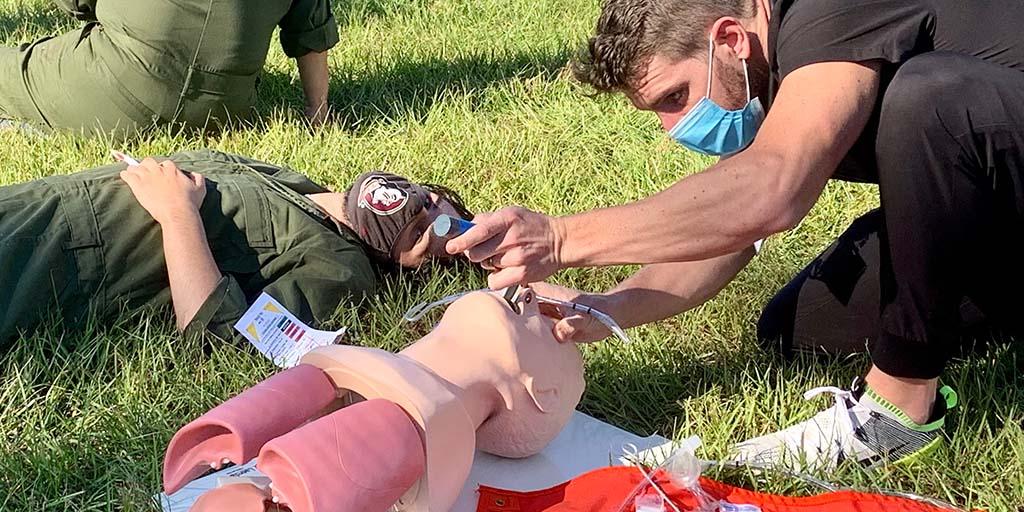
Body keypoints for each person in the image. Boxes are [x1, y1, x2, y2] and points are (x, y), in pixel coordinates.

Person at [445, 0, 1024, 470]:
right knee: (795, 328)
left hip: (985, 149)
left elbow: (771, 190)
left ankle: (900, 409)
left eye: (674, 98)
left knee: (930, 99)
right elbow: (733, 227)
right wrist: (610, 307)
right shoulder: (766, 72)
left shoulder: (825, 11)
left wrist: (559, 239)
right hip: (997, 195)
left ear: (729, 38)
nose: (673, 130)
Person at [0, 149, 472, 349]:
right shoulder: (296, 184)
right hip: (36, 201)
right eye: (431, 202)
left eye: (427, 241)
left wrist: (177, 214)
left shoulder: (343, 271)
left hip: (47, 259)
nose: (423, 215)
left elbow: (219, 340)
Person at [0, 0, 337, 137]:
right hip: (226, 109)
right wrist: (317, 109)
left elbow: (78, 4)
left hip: (116, 87)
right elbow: (311, 32)